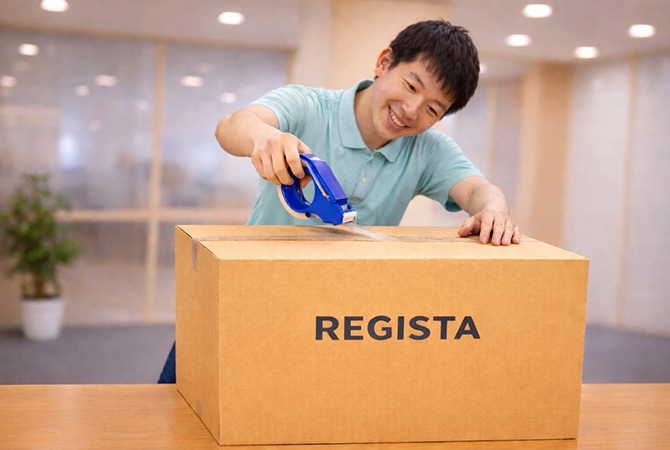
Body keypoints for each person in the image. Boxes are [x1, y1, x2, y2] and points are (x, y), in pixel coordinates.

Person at [158, 19, 519, 383]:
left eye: (432, 110)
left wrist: (495, 210)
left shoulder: (429, 149)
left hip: (335, 320)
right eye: (411, 86)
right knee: (178, 400)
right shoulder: (308, 105)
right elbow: (232, 125)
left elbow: (477, 190)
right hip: (247, 294)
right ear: (384, 62)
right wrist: (262, 136)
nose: (412, 109)